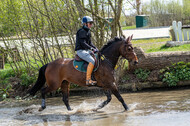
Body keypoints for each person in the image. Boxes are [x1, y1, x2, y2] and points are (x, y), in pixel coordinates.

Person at [75, 16, 98, 86]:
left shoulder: (88, 31)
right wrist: (91, 49)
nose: (91, 25)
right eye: (90, 23)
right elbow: (83, 43)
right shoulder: (81, 31)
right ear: (85, 24)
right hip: (80, 51)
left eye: (92, 23)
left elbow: (90, 43)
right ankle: (88, 80)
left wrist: (95, 48)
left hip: (86, 50)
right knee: (92, 61)